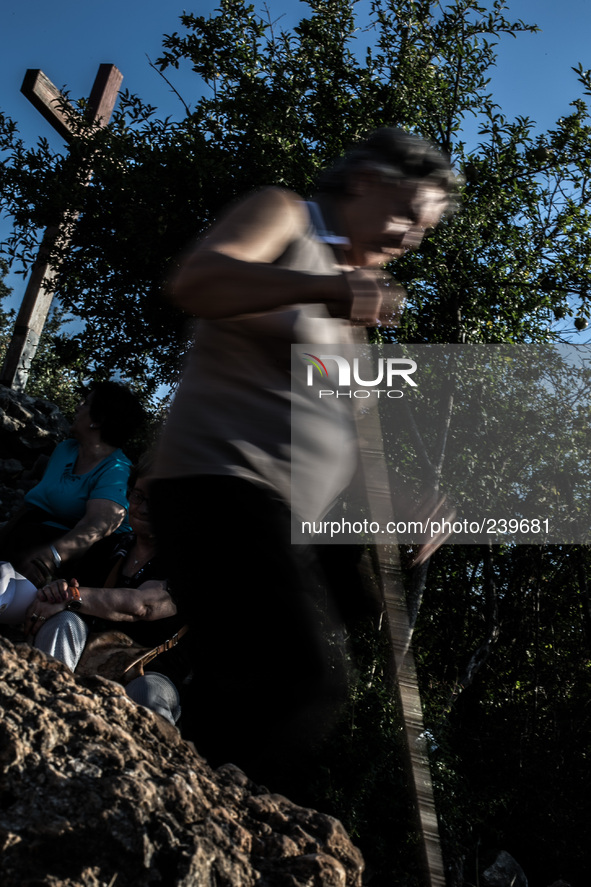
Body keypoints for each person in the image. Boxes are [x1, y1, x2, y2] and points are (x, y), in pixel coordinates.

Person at [150, 128, 456, 789]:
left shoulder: (351, 307)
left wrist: (403, 500)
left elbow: (340, 445)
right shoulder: (288, 215)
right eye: (408, 212)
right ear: (365, 181)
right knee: (308, 678)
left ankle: (181, 792)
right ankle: (195, 811)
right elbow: (197, 280)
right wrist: (327, 292)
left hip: (282, 513)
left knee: (295, 664)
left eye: (423, 227)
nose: (411, 236)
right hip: (217, 482)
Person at [23, 464, 187, 726]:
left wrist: (72, 596)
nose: (144, 507)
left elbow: (143, 605)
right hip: (89, 654)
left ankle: (152, 760)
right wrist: (57, 593)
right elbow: (76, 595)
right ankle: (44, 710)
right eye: (138, 496)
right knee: (63, 621)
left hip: (150, 670)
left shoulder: (188, 565)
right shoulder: (109, 549)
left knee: (148, 693)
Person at [0, 381, 145, 587]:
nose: (78, 407)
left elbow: (98, 525)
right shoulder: (65, 449)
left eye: (85, 403)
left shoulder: (117, 469)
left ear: (98, 419)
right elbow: (36, 502)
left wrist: (49, 558)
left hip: (75, 560)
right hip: (27, 538)